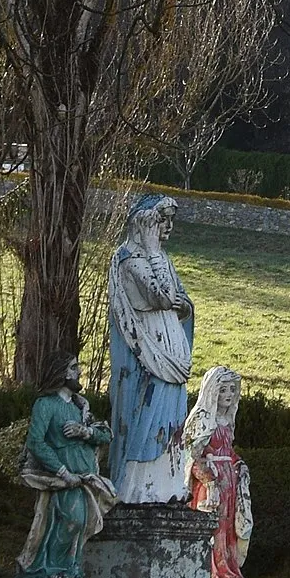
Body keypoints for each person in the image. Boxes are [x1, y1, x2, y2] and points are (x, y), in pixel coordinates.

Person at [106, 194, 195, 501]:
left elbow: (179, 301)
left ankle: (167, 487)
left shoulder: (162, 260)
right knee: (147, 418)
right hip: (148, 357)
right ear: (143, 222)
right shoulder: (130, 260)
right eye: (161, 220)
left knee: (171, 422)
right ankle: (139, 491)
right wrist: (152, 249)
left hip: (171, 356)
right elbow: (162, 297)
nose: (168, 227)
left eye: (171, 220)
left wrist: (184, 306)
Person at [12, 355, 117, 578]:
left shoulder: (80, 406)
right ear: (61, 373)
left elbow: (105, 435)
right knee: (70, 520)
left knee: (82, 525)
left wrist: (84, 432)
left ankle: (70, 570)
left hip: (84, 479)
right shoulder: (46, 404)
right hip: (61, 479)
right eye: (73, 367)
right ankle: (48, 569)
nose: (78, 372)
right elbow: (36, 442)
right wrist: (62, 472)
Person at [182, 364, 255, 578]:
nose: (228, 395)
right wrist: (209, 481)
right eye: (223, 390)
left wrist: (239, 464)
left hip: (229, 483)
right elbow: (191, 456)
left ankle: (229, 570)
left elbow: (228, 451)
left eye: (232, 390)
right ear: (213, 390)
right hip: (210, 484)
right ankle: (213, 574)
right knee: (213, 528)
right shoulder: (203, 419)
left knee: (228, 528)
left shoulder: (227, 420)